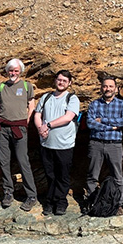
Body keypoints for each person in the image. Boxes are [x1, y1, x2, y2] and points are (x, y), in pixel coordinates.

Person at [0, 58, 38, 211]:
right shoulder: (1, 87)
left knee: (23, 161)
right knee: (4, 162)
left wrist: (26, 122)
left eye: (16, 70)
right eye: (11, 70)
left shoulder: (26, 86)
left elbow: (31, 106)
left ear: (21, 72)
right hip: (3, 128)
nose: (13, 73)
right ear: (7, 71)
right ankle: (7, 192)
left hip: (19, 128)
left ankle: (31, 195)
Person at [33, 70, 80, 215]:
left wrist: (48, 125)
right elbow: (37, 114)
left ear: (69, 83)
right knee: (50, 175)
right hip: (47, 144)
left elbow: (68, 117)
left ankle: (60, 202)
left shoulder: (72, 98)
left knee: (62, 175)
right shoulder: (46, 97)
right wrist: (40, 128)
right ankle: (49, 202)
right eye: (59, 80)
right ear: (55, 80)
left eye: (65, 81)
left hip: (64, 145)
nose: (61, 83)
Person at [85, 76, 123, 214]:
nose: (108, 89)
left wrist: (103, 120)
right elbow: (90, 123)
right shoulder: (94, 104)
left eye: (111, 86)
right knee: (92, 175)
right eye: (105, 86)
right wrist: (111, 127)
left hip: (114, 144)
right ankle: (92, 202)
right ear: (101, 88)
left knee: (117, 175)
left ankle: (118, 204)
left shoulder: (122, 105)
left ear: (116, 89)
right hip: (96, 143)